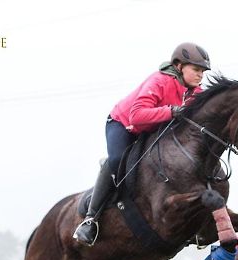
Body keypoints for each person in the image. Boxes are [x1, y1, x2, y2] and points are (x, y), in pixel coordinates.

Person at [73, 42, 211, 247]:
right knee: (118, 160)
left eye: (203, 72)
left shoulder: (196, 94)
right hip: (123, 124)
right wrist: (171, 111)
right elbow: (136, 116)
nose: (200, 75)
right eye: (196, 69)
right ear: (179, 66)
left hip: (153, 130)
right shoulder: (159, 81)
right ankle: (90, 219)